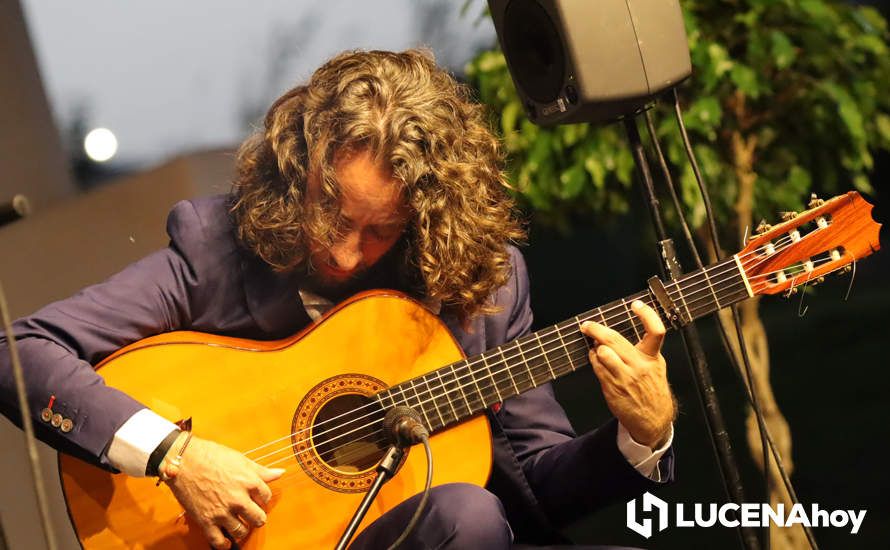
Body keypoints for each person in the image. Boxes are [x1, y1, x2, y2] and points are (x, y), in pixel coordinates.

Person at [0, 49, 676, 549]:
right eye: (332, 210)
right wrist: (174, 455)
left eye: (381, 230)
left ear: (427, 214)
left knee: (470, 517)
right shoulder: (217, 248)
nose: (346, 251)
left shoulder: (483, 283)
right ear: (302, 168)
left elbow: (535, 488)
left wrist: (642, 435)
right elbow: (21, 350)